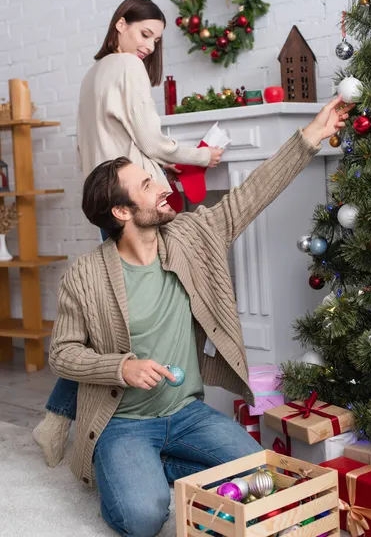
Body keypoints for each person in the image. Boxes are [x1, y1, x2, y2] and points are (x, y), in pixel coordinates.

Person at [48, 97, 351, 536]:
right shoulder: (85, 274)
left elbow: (250, 194)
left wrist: (310, 137)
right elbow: (63, 354)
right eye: (148, 186)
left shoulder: (190, 235)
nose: (164, 187)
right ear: (122, 212)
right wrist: (120, 367)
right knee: (144, 518)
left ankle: (165, 466)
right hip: (124, 424)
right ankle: (136, 471)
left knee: (263, 484)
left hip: (186, 414)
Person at [32, 0, 223, 467]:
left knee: (107, 326)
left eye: (155, 40)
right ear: (120, 24)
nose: (148, 46)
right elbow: (151, 138)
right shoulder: (126, 69)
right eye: (144, 33)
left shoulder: (91, 75)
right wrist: (201, 157)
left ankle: (58, 420)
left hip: (108, 204)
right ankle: (82, 422)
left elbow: (86, 151)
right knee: (126, 327)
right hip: (133, 205)